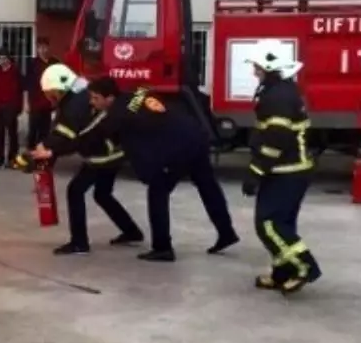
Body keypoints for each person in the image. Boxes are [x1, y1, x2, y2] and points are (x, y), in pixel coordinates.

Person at [35, 77, 238, 262]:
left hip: (177, 148)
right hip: (195, 136)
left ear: (110, 98)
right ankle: (226, 233)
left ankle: (163, 248)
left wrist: (52, 152)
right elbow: (147, 96)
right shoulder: (137, 93)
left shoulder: (116, 115)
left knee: (158, 191)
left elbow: (89, 138)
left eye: (96, 98)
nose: (92, 103)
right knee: (207, 185)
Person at [28, 63, 144, 255]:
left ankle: (79, 243)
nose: (48, 97)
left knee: (75, 191)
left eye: (49, 93)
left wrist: (45, 151)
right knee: (102, 194)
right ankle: (131, 231)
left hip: (101, 155)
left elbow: (67, 138)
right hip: (113, 152)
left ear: (58, 89)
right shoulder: (82, 92)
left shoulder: (72, 106)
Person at [242, 41, 321, 294]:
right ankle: (281, 273)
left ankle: (305, 267)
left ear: (268, 67)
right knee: (282, 224)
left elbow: (275, 141)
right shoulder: (282, 91)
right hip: (290, 170)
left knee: (269, 225)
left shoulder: (277, 97)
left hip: (287, 172)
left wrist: (255, 173)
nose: (254, 72)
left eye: (257, 67)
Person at [0, 48, 23, 168]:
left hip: (11, 107)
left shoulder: (15, 71)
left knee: (12, 134)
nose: (2, 61)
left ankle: (12, 159)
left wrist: (18, 107)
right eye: (0, 58)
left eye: (4, 58)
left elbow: (19, 91)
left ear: (9, 59)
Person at [25, 37, 59, 150]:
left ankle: (42, 157)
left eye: (45, 47)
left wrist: (57, 100)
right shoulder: (32, 64)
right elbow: (28, 85)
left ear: (49, 47)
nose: (43, 50)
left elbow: (59, 83)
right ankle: (30, 155)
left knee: (45, 132)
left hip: (49, 103)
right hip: (35, 103)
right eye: (40, 47)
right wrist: (26, 103)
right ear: (37, 49)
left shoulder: (55, 63)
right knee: (33, 131)